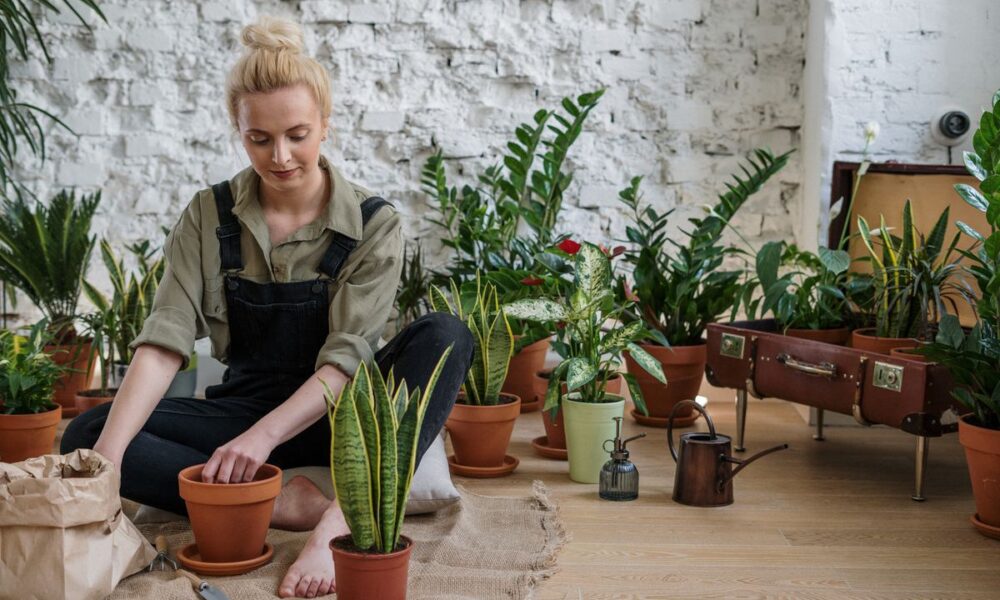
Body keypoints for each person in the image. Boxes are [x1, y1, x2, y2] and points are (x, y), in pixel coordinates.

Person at [61, 16, 473, 599]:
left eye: (298, 134)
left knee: (447, 332)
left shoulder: (375, 225)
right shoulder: (209, 215)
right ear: (239, 130)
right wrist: (105, 468)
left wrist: (260, 441)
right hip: (244, 407)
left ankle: (338, 523)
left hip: (343, 415)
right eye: (260, 139)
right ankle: (281, 502)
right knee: (90, 432)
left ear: (326, 125)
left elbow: (345, 362)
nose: (280, 156)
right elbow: (163, 343)